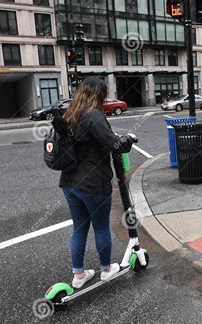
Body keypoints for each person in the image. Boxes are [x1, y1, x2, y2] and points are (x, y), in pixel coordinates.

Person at [60, 77, 137, 289]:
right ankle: (106, 269)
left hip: (69, 182)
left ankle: (78, 274)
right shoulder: (93, 114)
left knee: (79, 229)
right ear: (98, 94)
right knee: (101, 227)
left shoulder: (69, 115)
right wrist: (129, 138)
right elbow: (115, 144)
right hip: (93, 183)